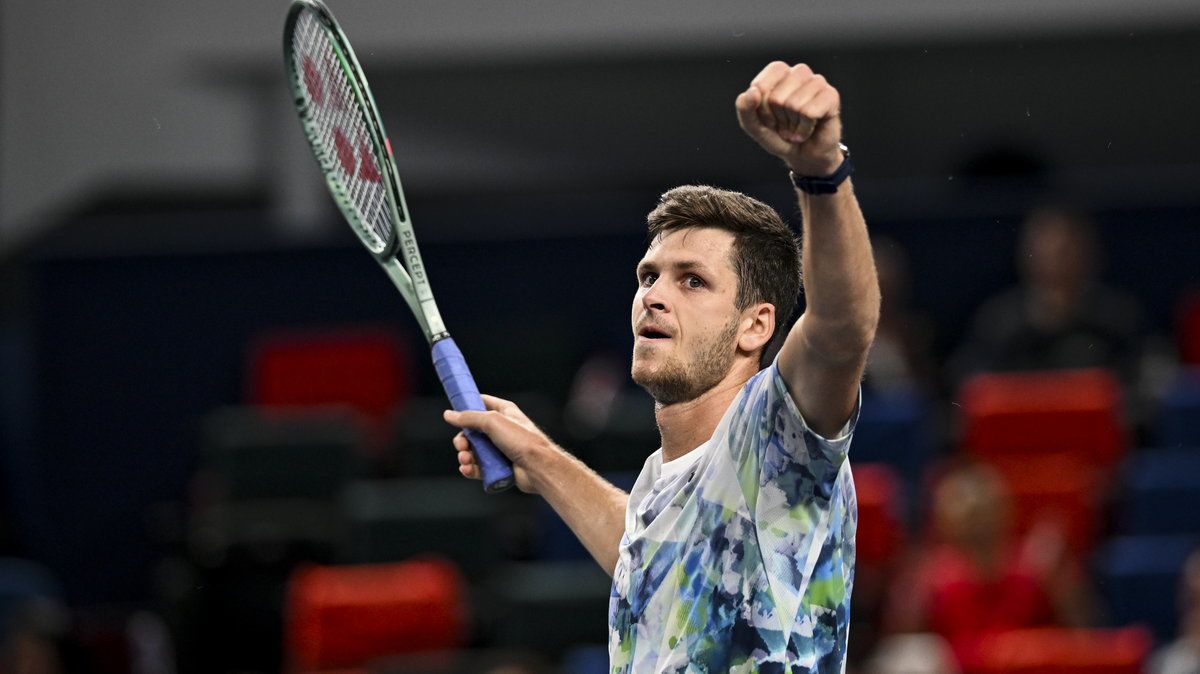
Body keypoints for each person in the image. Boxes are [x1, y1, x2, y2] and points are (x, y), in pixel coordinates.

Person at [444, 61, 880, 672]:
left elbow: (842, 330)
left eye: (692, 280)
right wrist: (538, 459)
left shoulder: (775, 436)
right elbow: (644, 554)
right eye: (648, 276)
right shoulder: (665, 480)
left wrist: (821, 173)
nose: (653, 296)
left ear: (756, 325)